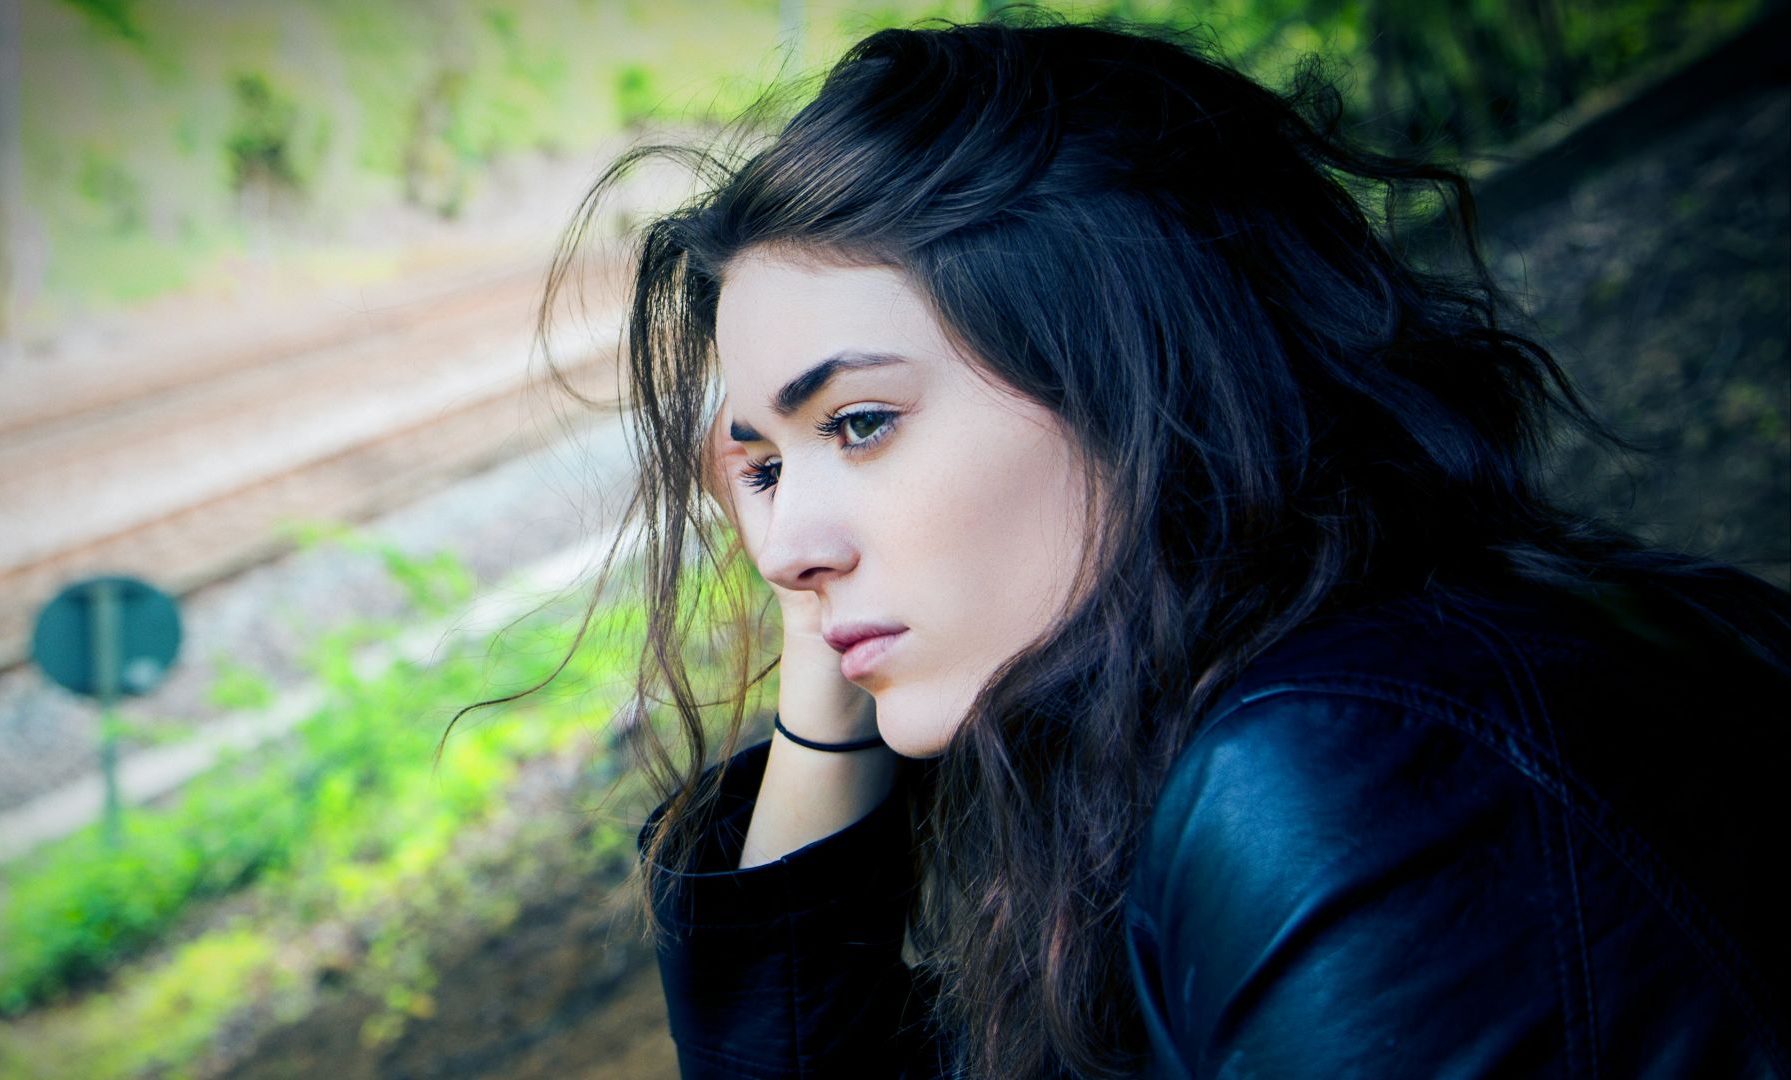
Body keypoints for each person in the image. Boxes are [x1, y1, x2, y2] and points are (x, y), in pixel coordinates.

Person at [490, 12, 1791, 1078]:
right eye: (761, 467)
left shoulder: (1351, 772)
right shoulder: (1199, 737)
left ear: (1135, 380)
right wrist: (829, 659)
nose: (783, 548)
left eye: (865, 422)